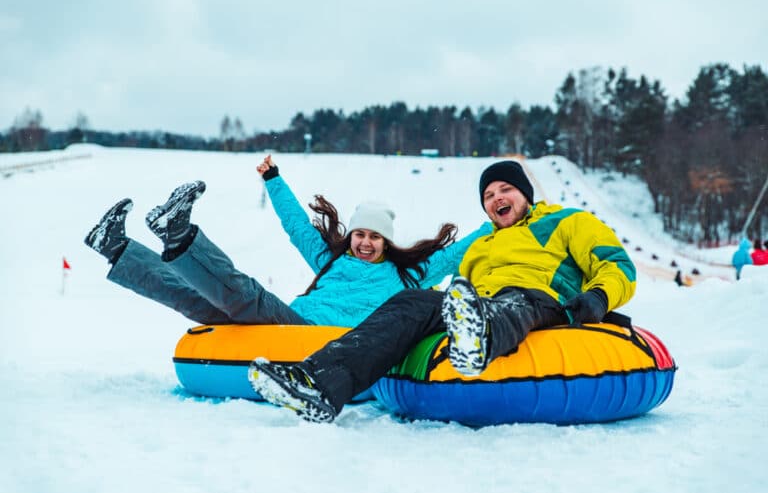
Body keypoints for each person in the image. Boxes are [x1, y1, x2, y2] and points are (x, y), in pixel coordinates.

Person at [248, 160, 637, 423]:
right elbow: (455, 295)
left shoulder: (567, 221)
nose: (498, 198)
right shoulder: (482, 247)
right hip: (480, 301)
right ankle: (317, 383)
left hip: (539, 299)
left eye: (506, 190)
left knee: (514, 301)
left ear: (525, 193)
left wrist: (598, 298)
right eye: (489, 195)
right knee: (410, 301)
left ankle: (479, 339)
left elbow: (618, 265)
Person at [83, 156, 491, 327]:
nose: (366, 242)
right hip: (289, 323)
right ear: (351, 236)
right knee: (196, 298)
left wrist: (499, 221)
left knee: (246, 294)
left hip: (312, 336)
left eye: (374, 237)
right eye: (360, 234)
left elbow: (460, 251)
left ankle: (178, 233)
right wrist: (274, 180)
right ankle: (116, 247)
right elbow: (297, 226)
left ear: (386, 242)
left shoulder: (407, 276)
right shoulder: (331, 261)